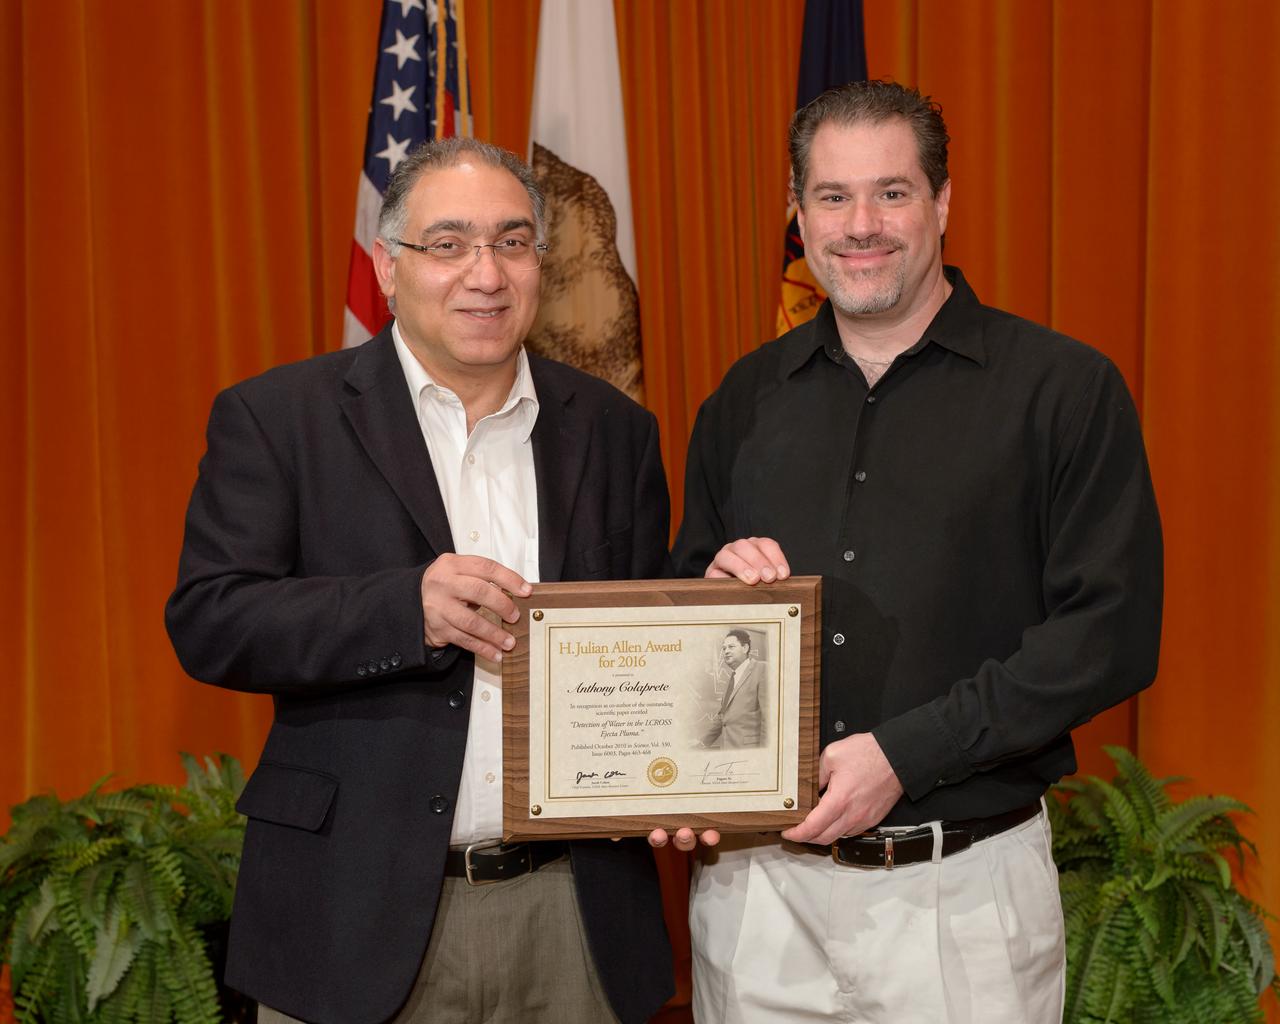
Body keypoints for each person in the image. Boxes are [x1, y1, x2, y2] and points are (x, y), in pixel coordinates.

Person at [658, 80, 1163, 1023]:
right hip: (757, 897)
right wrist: (710, 597)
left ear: (942, 202)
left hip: (962, 899)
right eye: (832, 197)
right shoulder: (743, 399)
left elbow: (1111, 632)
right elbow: (684, 596)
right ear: (798, 214)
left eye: (891, 192)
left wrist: (905, 753)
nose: (861, 225)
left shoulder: (1062, 389)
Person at [165, 138, 673, 1024]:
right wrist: (407, 609)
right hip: (351, 914)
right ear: (388, 267)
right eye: (448, 245)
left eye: (513, 242)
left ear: (541, 264)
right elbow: (211, 618)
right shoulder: (279, 418)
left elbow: (648, 638)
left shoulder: (615, 430)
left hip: (574, 915)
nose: (486, 273)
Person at [701, 628, 766, 748]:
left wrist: (765, 755)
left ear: (745, 648)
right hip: (727, 753)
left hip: (750, 754)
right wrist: (703, 743)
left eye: (731, 647)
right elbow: (723, 718)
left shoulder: (763, 670)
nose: (726, 651)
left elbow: (770, 720)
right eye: (724, 648)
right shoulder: (731, 680)